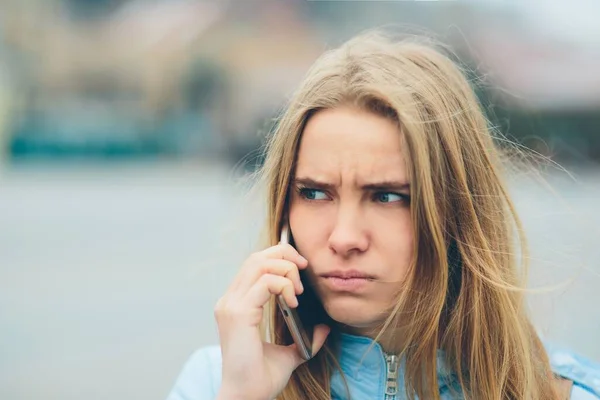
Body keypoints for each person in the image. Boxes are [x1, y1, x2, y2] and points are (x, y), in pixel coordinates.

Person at [166, 30, 600, 400]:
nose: (345, 237)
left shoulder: (561, 392)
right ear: (283, 209)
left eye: (388, 197)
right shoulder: (215, 383)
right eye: (315, 193)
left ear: (457, 213)